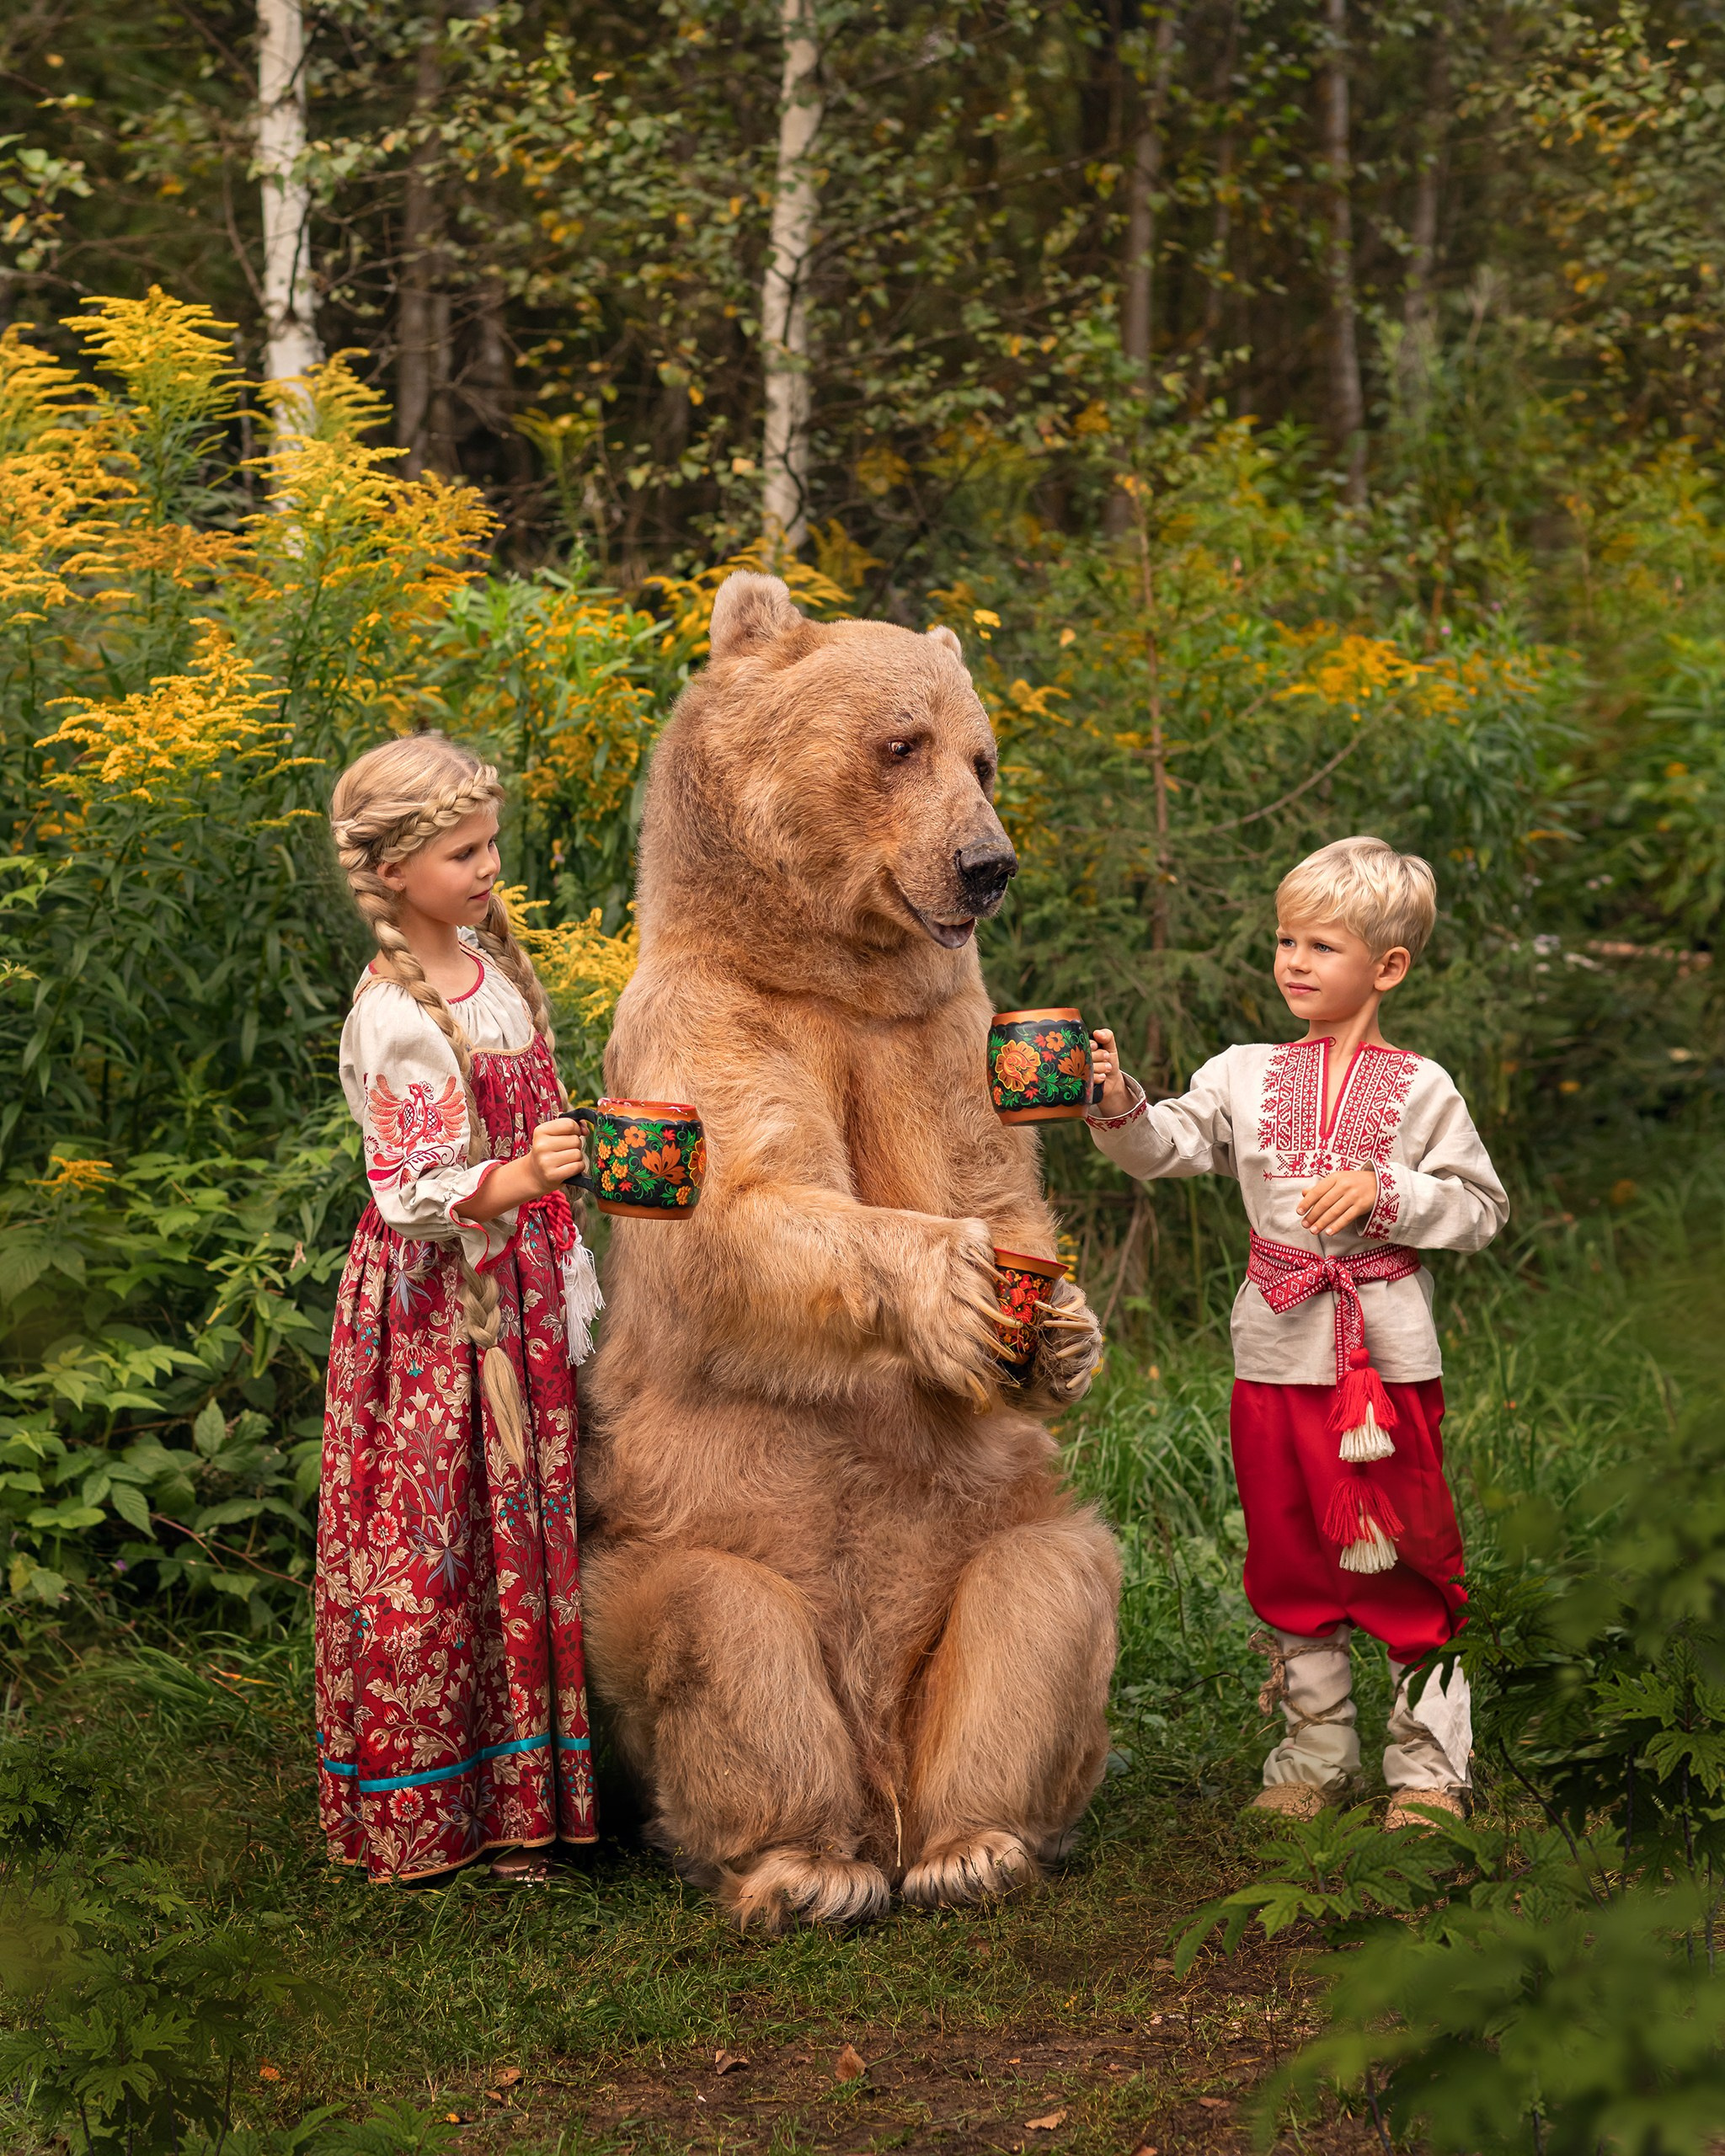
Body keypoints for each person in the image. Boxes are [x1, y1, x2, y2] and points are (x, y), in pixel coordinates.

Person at [1087, 835, 1508, 1826]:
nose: (1293, 962)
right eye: (1284, 939)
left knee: (1409, 1548)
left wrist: (1387, 1190)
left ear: (1386, 966)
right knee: (1284, 1548)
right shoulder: (1240, 1071)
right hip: (1271, 1352)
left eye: (1321, 944)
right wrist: (1114, 1105)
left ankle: (1426, 1768)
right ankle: (1314, 1751)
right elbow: (1167, 1146)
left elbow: (1481, 1210)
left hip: (1386, 1359)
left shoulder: (1421, 1087)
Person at [315, 733, 601, 1883]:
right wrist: (527, 1180)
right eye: (460, 853)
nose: (488, 868)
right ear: (390, 873)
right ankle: (436, 1809)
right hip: (444, 1313)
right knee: (440, 1542)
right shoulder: (398, 1011)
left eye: (489, 845)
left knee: (522, 1527)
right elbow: (409, 1191)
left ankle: (531, 1793)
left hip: (523, 1281)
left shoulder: (489, 963)